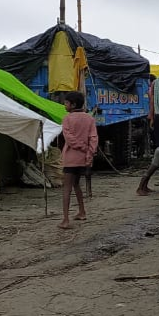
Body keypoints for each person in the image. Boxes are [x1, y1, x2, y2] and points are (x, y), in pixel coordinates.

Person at [59, 91, 97, 229]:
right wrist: (89, 152)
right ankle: (82, 211)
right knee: (76, 184)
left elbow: (69, 138)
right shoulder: (90, 118)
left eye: (66, 103)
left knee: (67, 188)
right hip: (84, 159)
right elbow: (93, 138)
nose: (65, 105)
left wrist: (81, 147)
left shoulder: (67, 119)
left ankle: (65, 219)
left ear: (73, 104)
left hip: (71, 158)